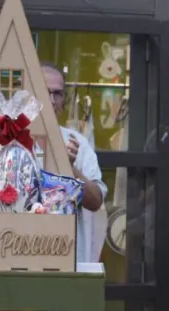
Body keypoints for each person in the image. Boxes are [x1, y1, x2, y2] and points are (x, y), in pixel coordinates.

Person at [41, 62, 108, 263]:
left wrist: (69, 168)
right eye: (44, 92)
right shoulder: (10, 138)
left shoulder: (77, 143)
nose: (52, 100)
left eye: (58, 94)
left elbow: (96, 201)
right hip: (18, 258)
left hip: (68, 261)